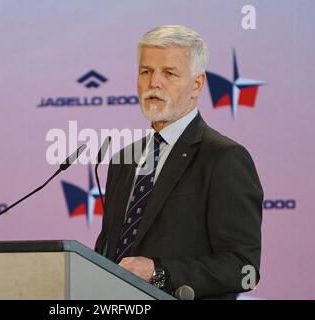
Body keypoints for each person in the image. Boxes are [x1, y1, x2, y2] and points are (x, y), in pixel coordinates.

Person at [94, 25, 263, 299]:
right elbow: (109, 251)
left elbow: (243, 269)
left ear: (197, 84)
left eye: (169, 73)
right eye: (145, 72)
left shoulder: (224, 158)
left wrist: (159, 272)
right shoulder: (123, 160)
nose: (154, 83)